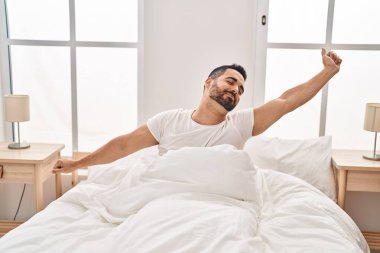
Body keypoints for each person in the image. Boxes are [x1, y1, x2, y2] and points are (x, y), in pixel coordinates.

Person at [53, 48, 342, 174]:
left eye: (241, 89)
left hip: (218, 203)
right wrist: (77, 165)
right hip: (167, 198)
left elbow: (287, 100)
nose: (236, 90)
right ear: (208, 82)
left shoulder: (241, 123)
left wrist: (327, 73)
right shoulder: (169, 121)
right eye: (231, 81)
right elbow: (124, 145)